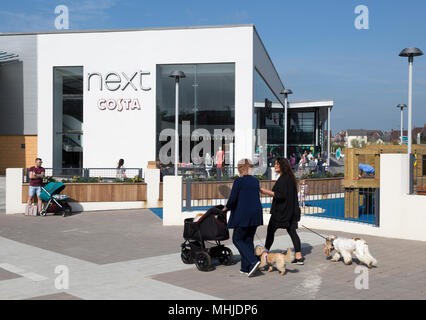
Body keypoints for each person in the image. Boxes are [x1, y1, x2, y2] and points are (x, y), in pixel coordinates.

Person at [223, 159, 263, 277]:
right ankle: (246, 267)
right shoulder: (255, 181)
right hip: (255, 214)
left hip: (243, 215)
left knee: (237, 239)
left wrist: (227, 208)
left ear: (240, 168)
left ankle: (253, 261)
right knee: (248, 240)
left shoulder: (238, 181)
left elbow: (233, 198)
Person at [260, 158, 304, 265]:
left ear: (282, 166)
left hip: (281, 212)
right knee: (292, 232)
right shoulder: (289, 178)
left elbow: (281, 195)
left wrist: (264, 191)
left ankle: (265, 254)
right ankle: (298, 256)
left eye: (276, 164)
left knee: (271, 231)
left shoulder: (284, 179)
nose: (274, 166)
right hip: (291, 211)